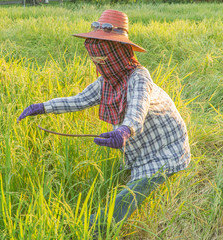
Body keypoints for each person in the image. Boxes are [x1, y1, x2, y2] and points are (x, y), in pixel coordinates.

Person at [17, 9, 191, 238]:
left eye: (104, 57)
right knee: (124, 175)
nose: (100, 64)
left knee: (132, 193)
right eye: (96, 59)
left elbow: (137, 109)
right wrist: (43, 107)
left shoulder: (139, 77)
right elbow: (79, 100)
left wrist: (124, 130)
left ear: (119, 51)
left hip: (168, 149)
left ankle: (96, 228)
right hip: (141, 145)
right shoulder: (107, 82)